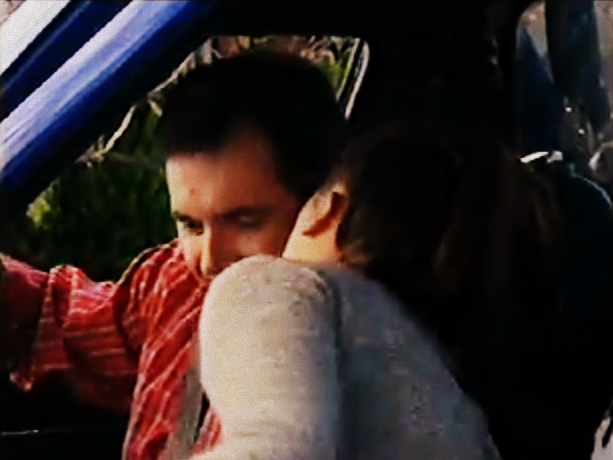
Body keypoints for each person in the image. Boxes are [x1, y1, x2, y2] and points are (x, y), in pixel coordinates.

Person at [0, 51, 347, 459]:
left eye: (245, 222)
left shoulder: (343, 357)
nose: (209, 260)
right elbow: (60, 325)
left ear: (319, 210)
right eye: (192, 226)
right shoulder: (176, 282)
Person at [184, 123, 501, 459]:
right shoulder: (450, 394)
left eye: (247, 220)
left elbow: (279, 450)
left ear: (330, 208)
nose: (210, 260)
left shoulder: (283, 288)